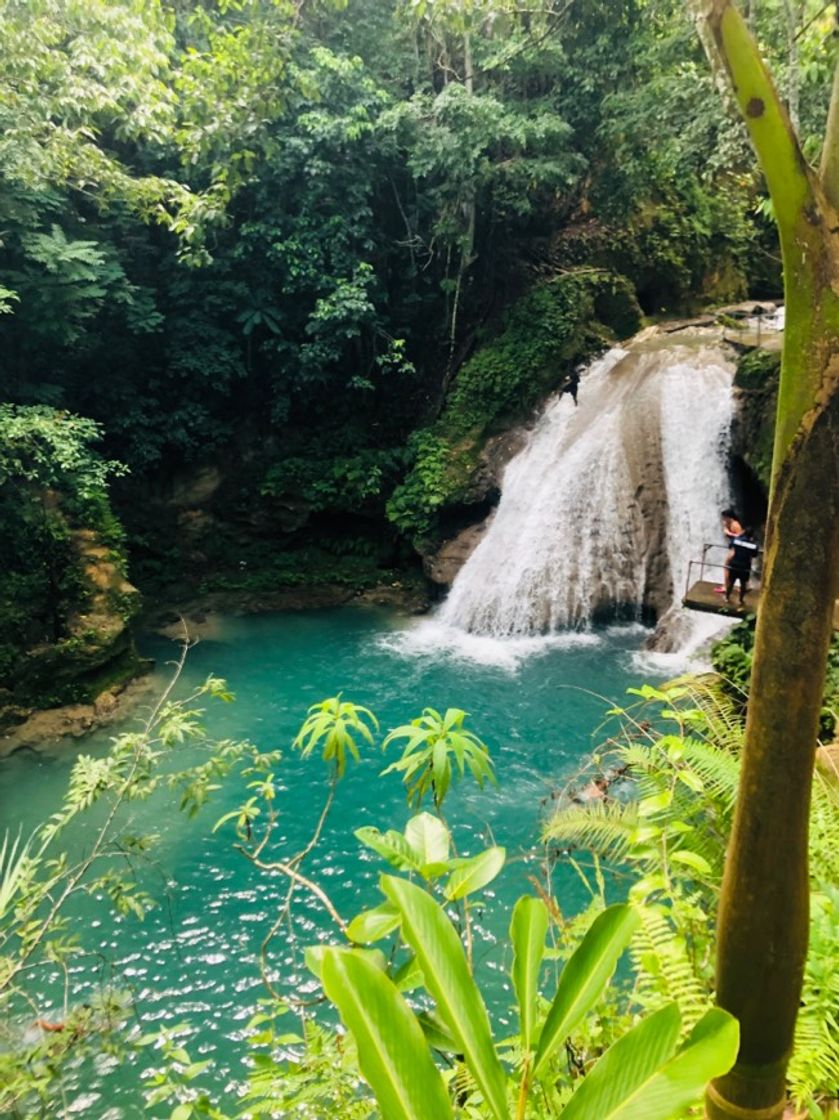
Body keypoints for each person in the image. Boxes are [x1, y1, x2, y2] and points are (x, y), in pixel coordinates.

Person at [721, 511, 758, 607]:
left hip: (734, 564)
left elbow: (731, 547)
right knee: (743, 584)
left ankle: (726, 597)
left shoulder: (736, 541)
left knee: (731, 582)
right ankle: (740, 600)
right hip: (745, 567)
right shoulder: (753, 546)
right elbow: (754, 555)